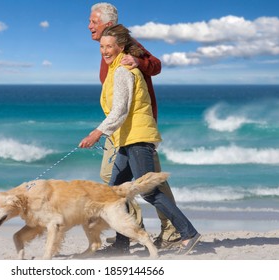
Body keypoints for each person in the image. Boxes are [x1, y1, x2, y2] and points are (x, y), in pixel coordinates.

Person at [79, 24, 201, 255]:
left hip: (137, 138)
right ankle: (122, 244)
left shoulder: (123, 71)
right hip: (127, 139)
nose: (104, 51)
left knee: (148, 191)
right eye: (102, 47)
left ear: (121, 47)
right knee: (115, 192)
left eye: (110, 47)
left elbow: (120, 111)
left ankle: (189, 234)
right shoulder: (117, 68)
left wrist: (96, 133)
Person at [88, 2, 181, 249]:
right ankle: (130, 230)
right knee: (120, 178)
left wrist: (138, 62)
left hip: (134, 124)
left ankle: (172, 230)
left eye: (93, 21)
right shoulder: (109, 47)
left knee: (149, 180)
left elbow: (156, 65)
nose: (89, 26)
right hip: (120, 125)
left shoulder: (128, 44)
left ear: (108, 25)